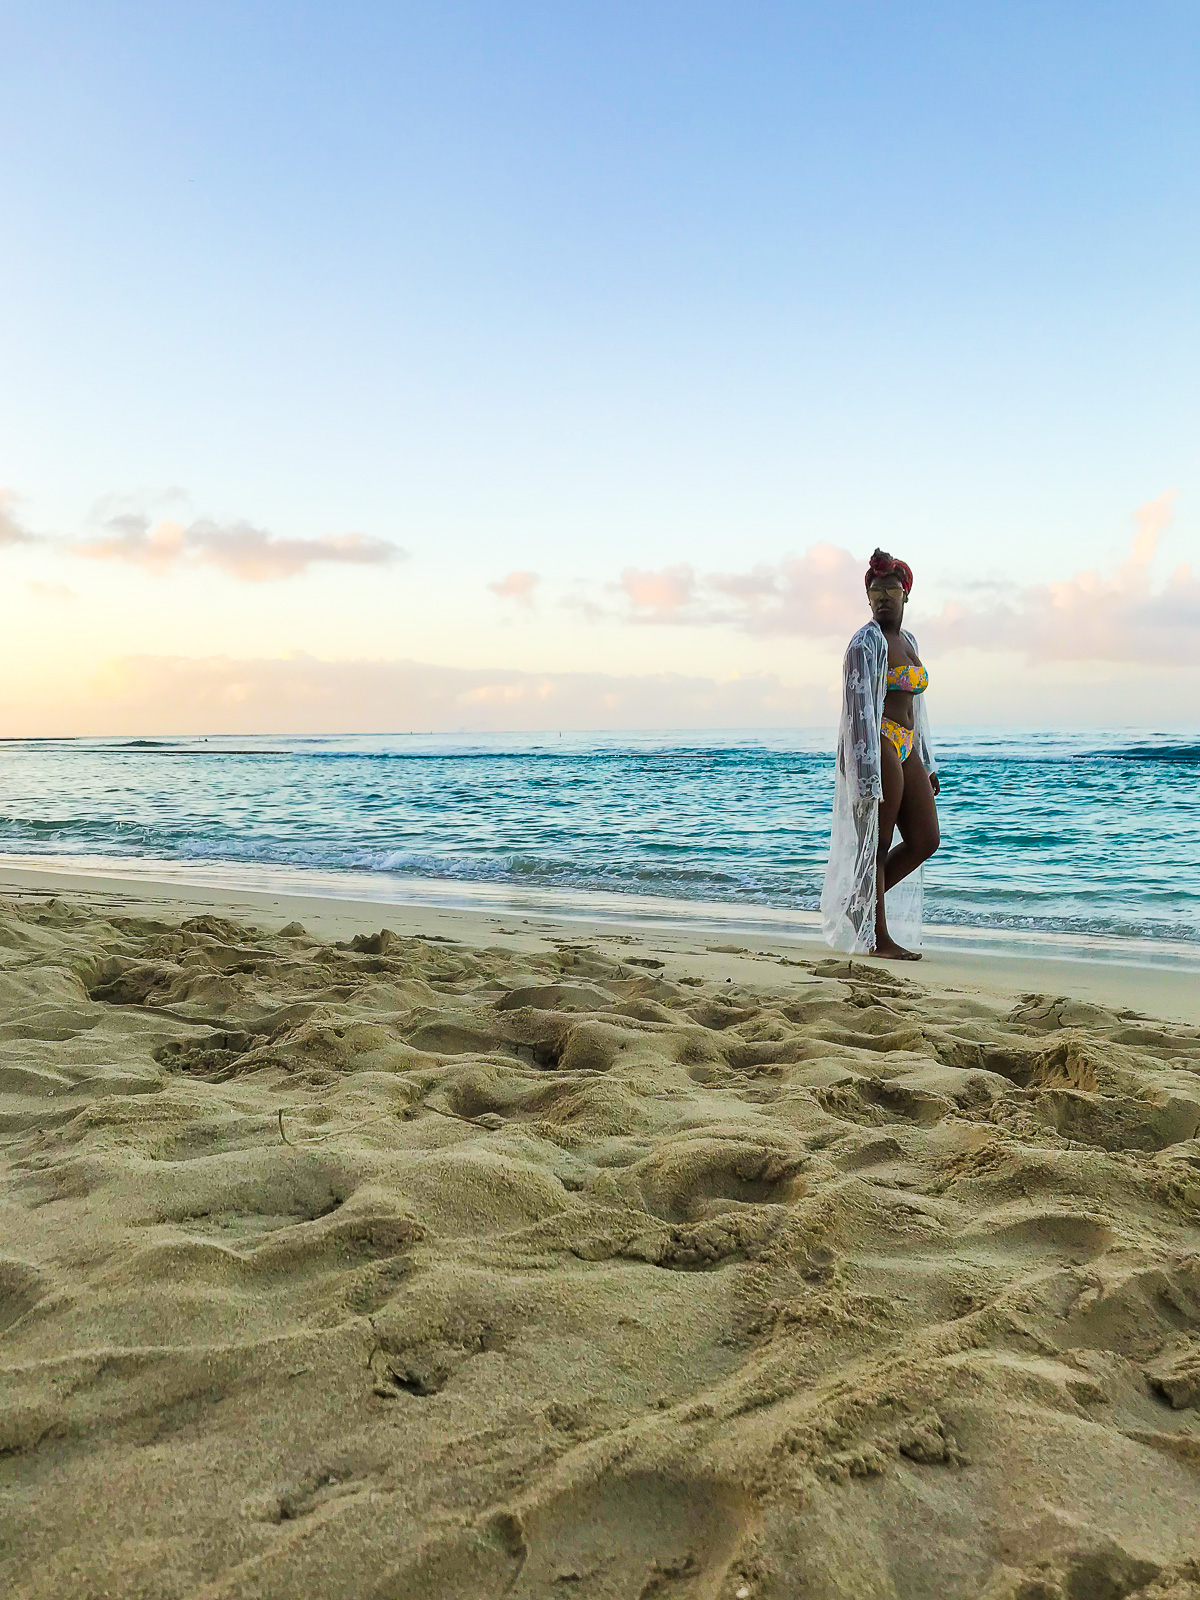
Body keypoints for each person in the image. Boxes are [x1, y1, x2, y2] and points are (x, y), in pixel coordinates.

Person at [820, 549, 940, 959]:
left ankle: (859, 903)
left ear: (906, 595)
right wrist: (866, 772)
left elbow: (916, 709)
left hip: (906, 744)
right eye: (876, 591)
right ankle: (878, 937)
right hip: (874, 742)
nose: (884, 597)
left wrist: (927, 760)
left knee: (925, 839)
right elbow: (857, 713)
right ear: (868, 598)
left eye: (891, 590)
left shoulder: (908, 642)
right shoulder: (863, 643)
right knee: (877, 842)